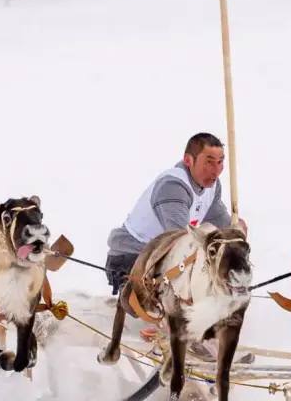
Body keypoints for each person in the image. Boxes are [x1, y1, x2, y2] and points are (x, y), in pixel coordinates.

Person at [105, 133, 249, 360]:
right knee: (194, 270)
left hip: (166, 261)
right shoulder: (173, 187)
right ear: (188, 160)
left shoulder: (211, 185)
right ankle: (182, 334)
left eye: (220, 162)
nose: (216, 170)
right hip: (132, 259)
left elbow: (220, 224)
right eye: (209, 162)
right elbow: (179, 242)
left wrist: (236, 233)